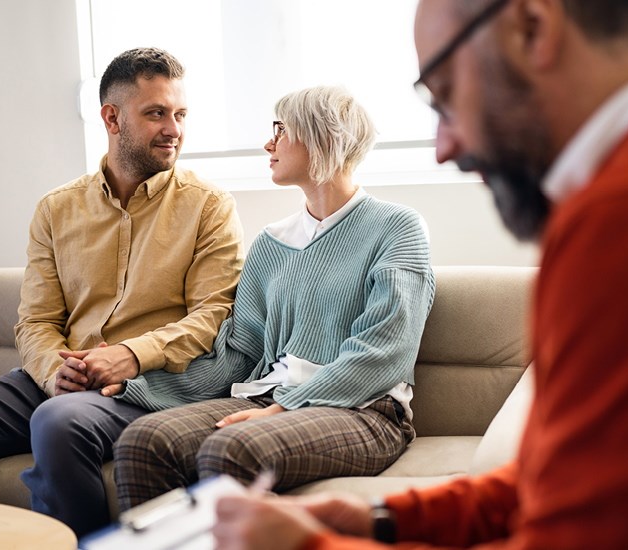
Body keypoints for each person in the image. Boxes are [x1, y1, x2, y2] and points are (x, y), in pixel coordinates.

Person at [211, 1, 628, 548]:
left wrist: (308, 546)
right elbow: (563, 478)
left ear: (533, 28)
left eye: (444, 94)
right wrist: (386, 520)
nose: (445, 146)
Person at [0, 47, 244, 537]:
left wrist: (130, 356)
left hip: (144, 386)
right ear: (111, 118)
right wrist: (56, 373)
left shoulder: (209, 207)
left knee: (59, 422)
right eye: (156, 113)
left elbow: (214, 316)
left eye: (180, 114)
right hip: (58, 380)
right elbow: (34, 321)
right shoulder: (57, 209)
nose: (174, 129)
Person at [112, 85, 435, 509]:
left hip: (364, 411)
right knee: (143, 442)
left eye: (281, 130)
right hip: (267, 396)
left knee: (233, 448)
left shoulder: (397, 229)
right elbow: (240, 354)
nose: (269, 143)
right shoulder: (271, 243)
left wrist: (283, 408)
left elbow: (384, 350)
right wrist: (135, 385)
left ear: (323, 136)